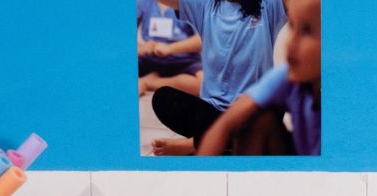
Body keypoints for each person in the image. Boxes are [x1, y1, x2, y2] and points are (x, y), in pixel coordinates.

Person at [150, 0, 288, 155]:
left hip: (251, 112)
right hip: (212, 111)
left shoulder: (268, 6)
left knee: (271, 109)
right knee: (163, 99)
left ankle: (198, 144)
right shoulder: (205, 6)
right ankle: (226, 142)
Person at [197, 0, 320, 156]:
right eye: (292, 25)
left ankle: (195, 145)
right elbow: (224, 125)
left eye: (307, 31)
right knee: (251, 116)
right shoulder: (286, 76)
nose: (290, 43)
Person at [137, 0, 204, 97]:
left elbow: (203, 40)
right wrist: (141, 48)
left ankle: (151, 83)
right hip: (149, 57)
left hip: (183, 59)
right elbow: (121, 35)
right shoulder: (143, 2)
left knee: (202, 85)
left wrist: (170, 48)